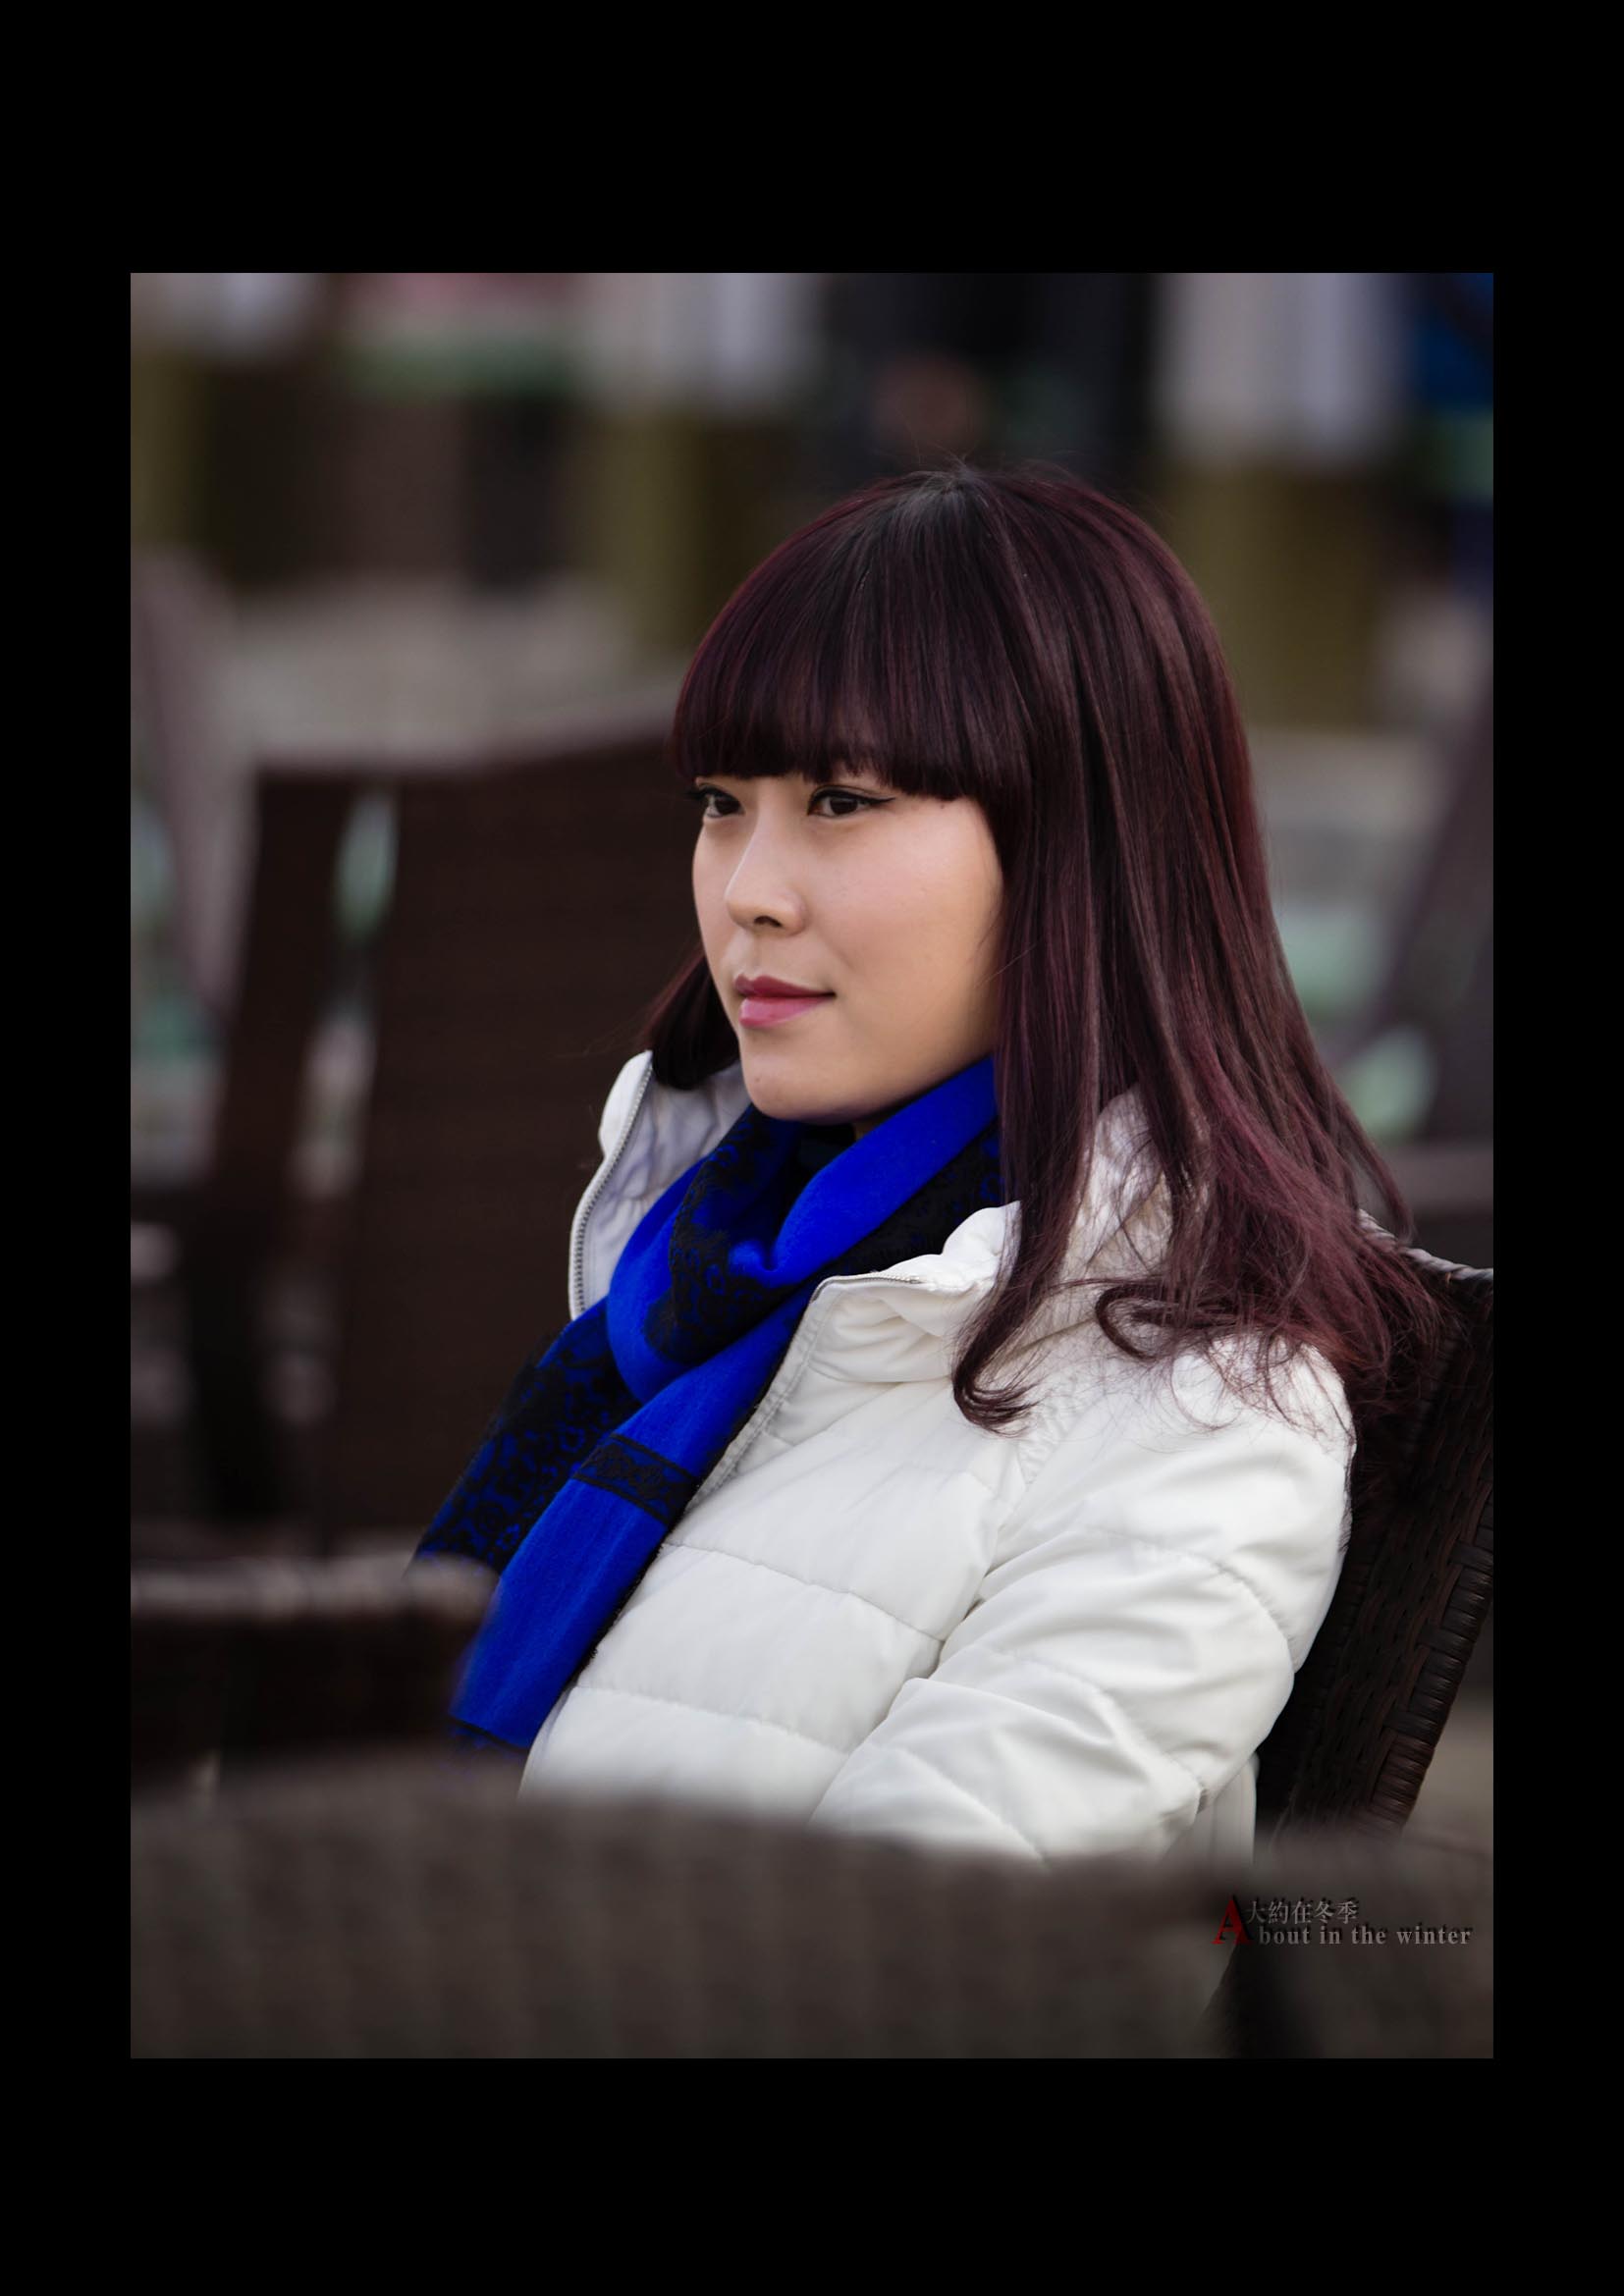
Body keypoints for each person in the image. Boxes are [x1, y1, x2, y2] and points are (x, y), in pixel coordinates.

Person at [409, 458, 1450, 1906]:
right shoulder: (704, 1266)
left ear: (1079, 851)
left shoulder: (1197, 1422)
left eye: (842, 801)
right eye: (722, 802)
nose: (748, 890)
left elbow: (903, 1971)